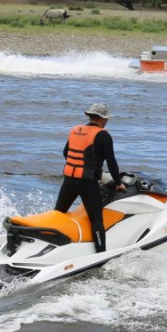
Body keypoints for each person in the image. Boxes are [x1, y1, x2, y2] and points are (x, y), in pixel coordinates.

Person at [54, 103, 125, 253]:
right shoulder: (103, 135)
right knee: (97, 220)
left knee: (58, 213)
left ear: (90, 116)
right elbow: (111, 161)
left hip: (69, 180)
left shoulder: (75, 130)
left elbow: (66, 153)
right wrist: (118, 183)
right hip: (87, 182)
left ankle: (50, 245)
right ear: (103, 118)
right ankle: (100, 255)